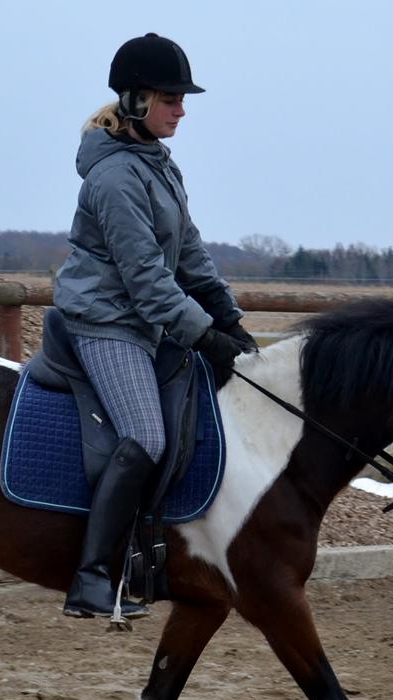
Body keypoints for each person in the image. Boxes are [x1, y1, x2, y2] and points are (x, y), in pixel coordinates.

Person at [53, 32, 258, 619]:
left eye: (181, 99)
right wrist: (203, 335)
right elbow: (146, 280)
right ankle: (92, 576)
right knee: (146, 435)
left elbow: (189, 254)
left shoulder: (160, 166)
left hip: (147, 322)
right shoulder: (115, 178)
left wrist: (231, 322)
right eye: (172, 98)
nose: (182, 109)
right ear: (138, 101)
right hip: (106, 322)